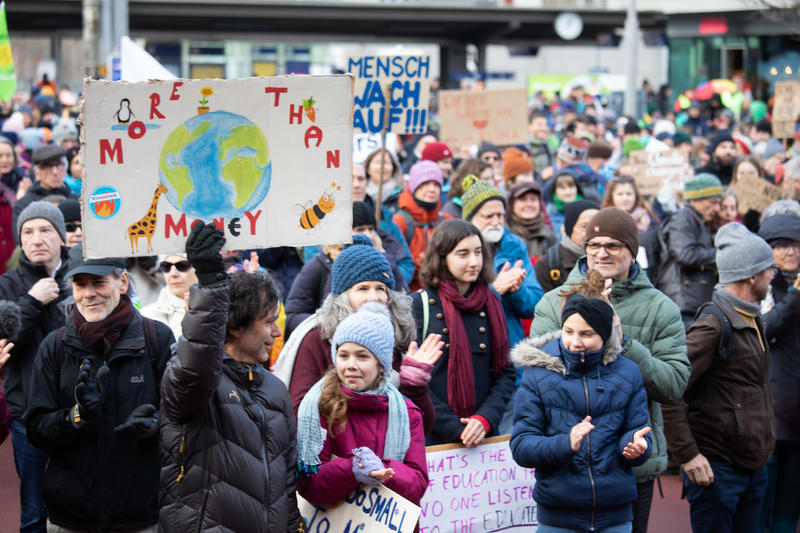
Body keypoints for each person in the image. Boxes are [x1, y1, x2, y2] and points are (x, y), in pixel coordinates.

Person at [532, 207, 690, 533]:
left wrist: (623, 342)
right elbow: (539, 376)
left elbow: (674, 385)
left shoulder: (661, 308)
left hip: (631, 462)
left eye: (614, 245)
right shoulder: (553, 302)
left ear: (632, 253)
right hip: (567, 460)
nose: (601, 253)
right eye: (594, 244)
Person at [158, 222, 305, 532]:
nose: (277, 332)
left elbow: (286, 490)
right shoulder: (197, 383)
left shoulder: (276, 390)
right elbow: (196, 360)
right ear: (236, 325)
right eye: (268, 322)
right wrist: (211, 285)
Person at [24, 243, 175, 533]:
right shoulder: (54, 347)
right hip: (72, 517)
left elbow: (183, 418)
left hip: (142, 515)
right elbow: (36, 428)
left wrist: (154, 425)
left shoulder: (157, 338)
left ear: (122, 282)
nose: (89, 293)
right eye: (80, 284)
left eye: (98, 282)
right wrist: (76, 417)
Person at [511, 273, 652, 533]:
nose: (575, 342)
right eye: (569, 331)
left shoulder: (628, 373)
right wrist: (566, 443)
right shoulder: (538, 373)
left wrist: (635, 447)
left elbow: (636, 431)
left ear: (605, 334)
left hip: (615, 513)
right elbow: (521, 446)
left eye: (587, 334)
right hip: (558, 515)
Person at [662, 223, 779, 533]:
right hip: (717, 473)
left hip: (751, 468)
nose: (773, 276)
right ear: (752, 276)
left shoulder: (751, 318)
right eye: (771, 271)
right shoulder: (713, 325)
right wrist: (687, 455)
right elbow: (667, 388)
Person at [275, 234, 436, 433]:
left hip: (392, 461)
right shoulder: (317, 338)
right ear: (343, 297)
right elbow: (300, 415)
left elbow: (423, 427)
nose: (374, 297)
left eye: (381, 289)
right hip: (335, 459)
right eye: (362, 289)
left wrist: (415, 386)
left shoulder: (397, 337)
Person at [295, 303, 434, 510]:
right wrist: (352, 469)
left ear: (381, 364)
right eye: (343, 355)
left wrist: (385, 470)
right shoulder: (320, 406)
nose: (350, 365)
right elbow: (308, 485)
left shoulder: (407, 412)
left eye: (362, 356)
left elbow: (418, 484)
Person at [412, 219, 517, 446]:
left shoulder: (491, 302)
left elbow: (506, 373)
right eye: (463, 254)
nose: (474, 262)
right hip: (435, 437)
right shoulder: (419, 304)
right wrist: (455, 427)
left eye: (478, 252)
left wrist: (484, 419)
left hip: (483, 435)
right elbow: (412, 380)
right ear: (442, 258)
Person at [0, 201, 71, 533]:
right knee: (33, 509)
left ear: (61, 236)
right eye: (27, 232)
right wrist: (31, 300)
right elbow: (7, 347)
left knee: (79, 503)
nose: (36, 239)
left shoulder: (80, 276)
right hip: (27, 413)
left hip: (76, 409)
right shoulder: (8, 285)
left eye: (45, 230)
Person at [460, 176, 542, 348]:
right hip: (473, 344)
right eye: (488, 216)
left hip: (510, 342)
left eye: (500, 215)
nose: (496, 222)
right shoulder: (457, 248)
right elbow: (457, 302)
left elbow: (533, 303)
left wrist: (517, 290)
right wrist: (494, 290)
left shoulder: (515, 245)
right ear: (471, 218)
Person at [757, 214, 800, 533]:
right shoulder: (757, 286)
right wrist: (796, 295)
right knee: (761, 509)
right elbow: (762, 329)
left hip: (797, 413)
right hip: (769, 415)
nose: (791, 252)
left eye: (796, 245)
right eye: (782, 246)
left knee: (788, 510)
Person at [659, 173, 723, 325]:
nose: (717, 208)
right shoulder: (683, 218)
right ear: (695, 200)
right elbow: (685, 254)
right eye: (713, 202)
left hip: (691, 303)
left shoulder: (697, 221)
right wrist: (722, 254)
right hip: (684, 306)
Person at [392, 160, 452, 291]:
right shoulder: (400, 221)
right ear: (414, 186)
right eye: (425, 184)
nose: (432, 189)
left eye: (436, 185)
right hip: (411, 297)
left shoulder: (446, 221)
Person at [13, 145, 79, 242]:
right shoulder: (24, 205)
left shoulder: (77, 200)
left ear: (65, 170)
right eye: (48, 167)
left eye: (59, 165)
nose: (55, 172)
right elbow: (21, 241)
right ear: (37, 173)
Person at [601, 176, 661, 281]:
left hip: (649, 275)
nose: (625, 198)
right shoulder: (603, 221)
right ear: (612, 196)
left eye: (629, 194)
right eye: (620, 194)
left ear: (635, 196)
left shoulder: (649, 218)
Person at [534, 200, 599, 292]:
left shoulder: (611, 260)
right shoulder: (547, 265)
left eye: (597, 226)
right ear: (569, 229)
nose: (591, 232)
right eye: (584, 227)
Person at [140, 253, 198, 340]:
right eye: (166, 266)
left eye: (182, 266)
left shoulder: (221, 309)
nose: (173, 274)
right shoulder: (147, 316)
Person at [505, 180, 556, 258]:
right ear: (512, 204)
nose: (529, 204)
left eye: (533, 199)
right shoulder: (503, 233)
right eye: (523, 199)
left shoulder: (548, 235)